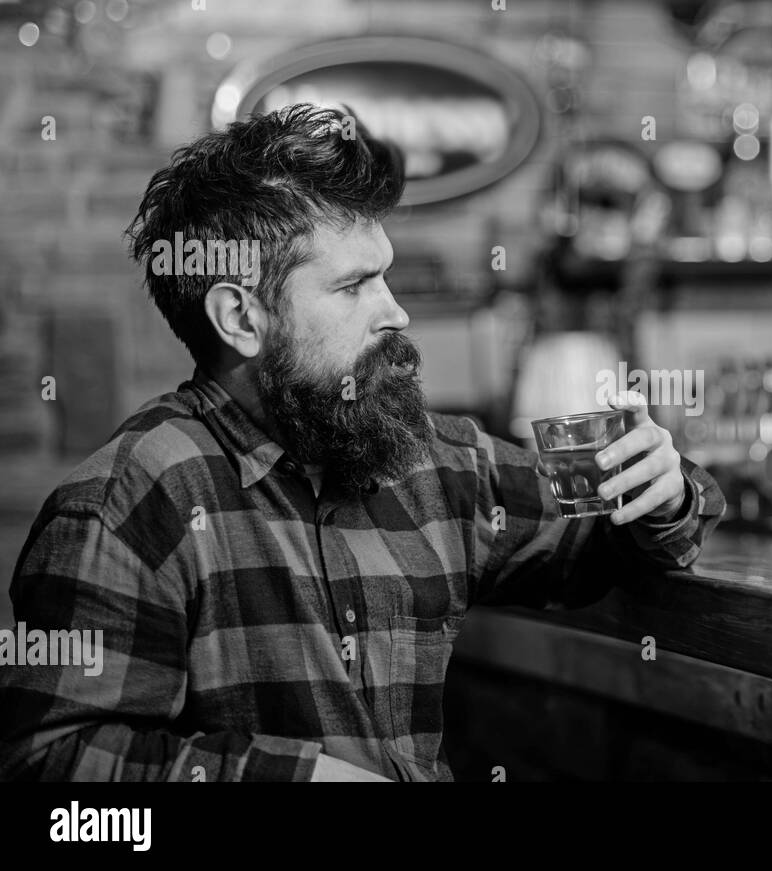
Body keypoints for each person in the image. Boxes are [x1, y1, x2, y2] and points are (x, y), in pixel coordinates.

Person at [0, 105, 724, 781]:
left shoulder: (430, 460)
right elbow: (49, 766)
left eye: (386, 274)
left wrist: (663, 488)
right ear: (241, 318)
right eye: (353, 287)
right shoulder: (130, 502)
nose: (397, 310)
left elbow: (609, 529)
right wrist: (296, 776)